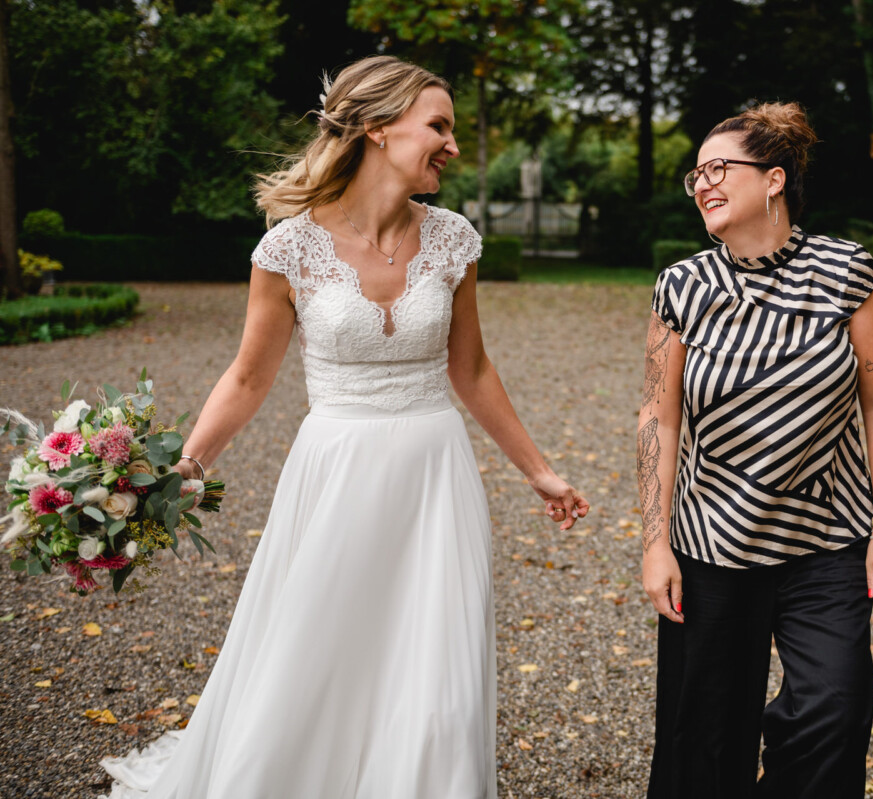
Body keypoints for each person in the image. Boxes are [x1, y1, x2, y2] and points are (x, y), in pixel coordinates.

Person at [99, 55, 588, 799]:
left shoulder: (455, 239)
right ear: (376, 129)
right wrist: (184, 468)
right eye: (440, 126)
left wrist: (539, 470)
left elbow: (474, 369)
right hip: (335, 472)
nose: (453, 146)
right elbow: (248, 376)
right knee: (315, 654)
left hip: (435, 474)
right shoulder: (289, 248)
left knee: (436, 671)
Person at [638, 101, 873, 798]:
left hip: (825, 543)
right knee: (703, 736)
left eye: (719, 167)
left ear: (775, 179)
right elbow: (658, 418)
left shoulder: (847, 272)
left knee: (835, 709)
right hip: (712, 546)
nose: (702, 183)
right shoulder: (683, 286)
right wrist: (654, 542)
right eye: (695, 173)